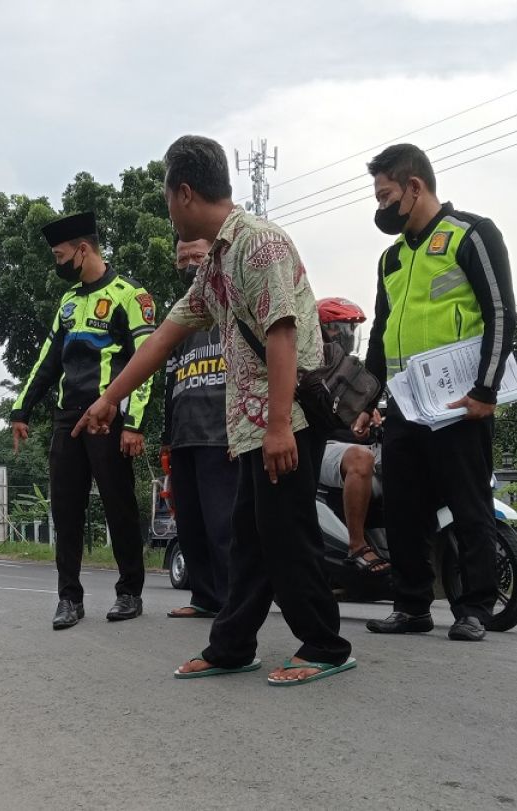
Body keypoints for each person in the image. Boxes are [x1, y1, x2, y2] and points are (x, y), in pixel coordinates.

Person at [75, 135, 354, 685]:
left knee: (284, 535)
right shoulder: (216, 265)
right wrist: (109, 399)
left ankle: (325, 644)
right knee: (249, 538)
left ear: (183, 193)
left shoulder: (259, 245)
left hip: (287, 420)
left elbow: (281, 332)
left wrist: (277, 427)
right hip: (256, 425)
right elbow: (162, 339)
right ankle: (231, 646)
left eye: (164, 198)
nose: (168, 211)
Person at [358, 144, 516, 642]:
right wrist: (366, 401)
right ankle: (412, 607)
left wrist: (485, 392)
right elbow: (382, 334)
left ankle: (474, 608)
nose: (381, 207)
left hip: (459, 405)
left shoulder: (470, 234)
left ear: (415, 187)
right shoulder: (391, 259)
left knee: (469, 507)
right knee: (405, 510)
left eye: (385, 196)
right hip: (406, 406)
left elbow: (500, 313)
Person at [10, 211, 157, 629]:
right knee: (66, 510)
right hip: (66, 420)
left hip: (108, 419)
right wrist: (21, 409)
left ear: (83, 249)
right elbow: (47, 359)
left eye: (60, 255)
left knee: (119, 507)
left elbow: (146, 361)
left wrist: (135, 424)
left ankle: (130, 592)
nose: (57, 263)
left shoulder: (131, 296)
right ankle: (68, 598)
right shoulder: (69, 302)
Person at [162, 237, 236, 619]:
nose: (190, 264)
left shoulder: (232, 303)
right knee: (190, 525)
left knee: (223, 524)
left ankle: (230, 602)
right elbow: (169, 380)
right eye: (183, 259)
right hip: (184, 436)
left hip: (222, 433)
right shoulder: (179, 315)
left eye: (197, 255)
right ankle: (204, 597)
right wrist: (165, 440)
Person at [315, 297, 389, 576]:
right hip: (322, 445)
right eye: (339, 328)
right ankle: (357, 546)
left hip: (361, 445)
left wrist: (374, 415)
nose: (346, 335)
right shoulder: (312, 365)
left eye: (350, 329)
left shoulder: (357, 371)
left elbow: (372, 405)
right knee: (361, 459)